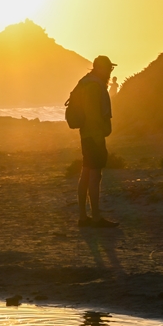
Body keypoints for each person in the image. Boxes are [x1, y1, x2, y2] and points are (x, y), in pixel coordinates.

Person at [69, 56, 119, 228]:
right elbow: (92, 115)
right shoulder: (93, 86)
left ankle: (84, 217)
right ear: (100, 68)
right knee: (94, 176)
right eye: (109, 69)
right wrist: (99, 137)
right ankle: (95, 217)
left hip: (87, 135)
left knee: (86, 173)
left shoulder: (87, 82)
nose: (110, 72)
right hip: (93, 135)